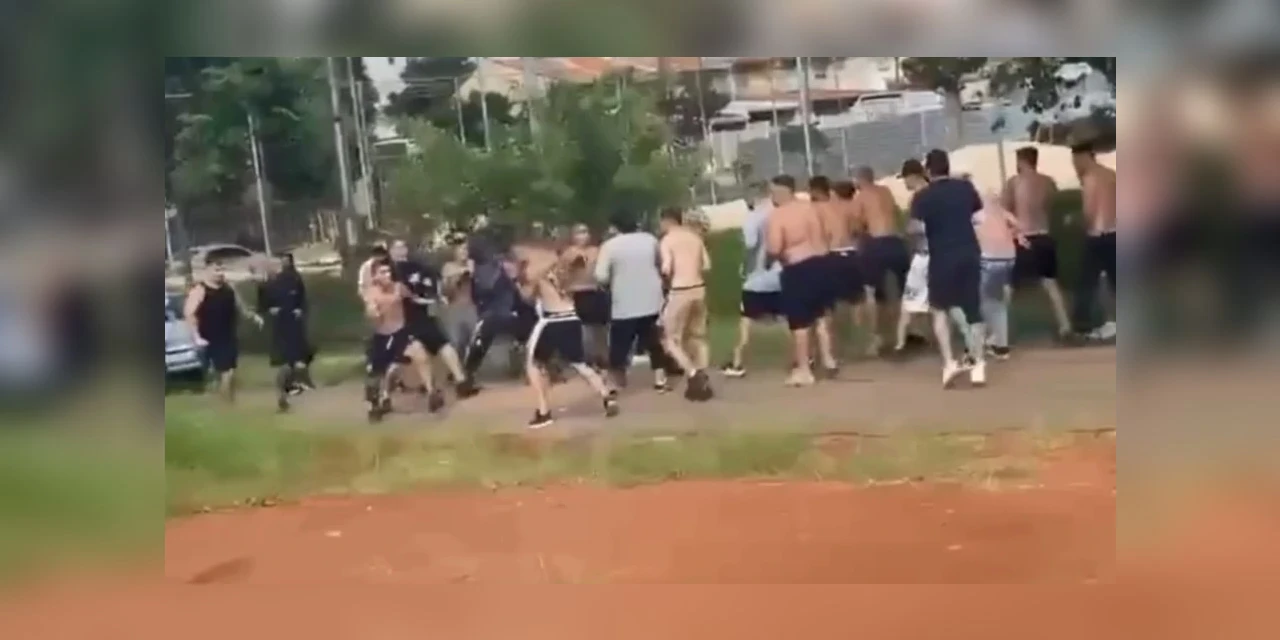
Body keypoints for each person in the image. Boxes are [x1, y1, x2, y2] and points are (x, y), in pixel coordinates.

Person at [907, 150, 989, 388]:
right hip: (969, 252)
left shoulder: (923, 196)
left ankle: (949, 362)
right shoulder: (965, 188)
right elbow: (978, 216)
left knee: (939, 309)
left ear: (928, 171)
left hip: (942, 256)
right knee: (973, 309)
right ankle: (979, 363)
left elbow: (914, 228)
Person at [516, 243, 621, 428]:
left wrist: (525, 280)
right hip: (571, 318)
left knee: (532, 363)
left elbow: (527, 295)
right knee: (579, 363)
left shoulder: (542, 271)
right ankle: (606, 396)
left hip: (552, 321)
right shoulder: (565, 272)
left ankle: (543, 412)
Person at [766, 175, 840, 386]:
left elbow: (774, 246)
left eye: (773, 192)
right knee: (821, 315)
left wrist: (772, 258)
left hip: (798, 268)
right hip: (821, 263)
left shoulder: (778, 215)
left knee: (800, 322)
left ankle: (804, 370)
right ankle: (828, 359)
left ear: (782, 192)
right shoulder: (811, 208)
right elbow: (826, 234)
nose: (771, 197)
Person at [594, 210, 678, 391]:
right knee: (654, 341)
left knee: (620, 343)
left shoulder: (610, 246)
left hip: (625, 302)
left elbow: (600, 276)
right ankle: (660, 379)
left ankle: (618, 379)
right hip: (652, 298)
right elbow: (659, 263)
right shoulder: (650, 240)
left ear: (615, 227)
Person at [389, 239, 480, 400]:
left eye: (403, 246)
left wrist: (434, 296)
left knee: (444, 345)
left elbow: (431, 284)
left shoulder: (416, 268)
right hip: (400, 320)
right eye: (397, 247)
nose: (401, 250)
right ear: (390, 251)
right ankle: (393, 389)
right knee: (414, 356)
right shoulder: (387, 270)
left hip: (422, 316)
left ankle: (461, 383)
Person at [361, 259, 445, 422]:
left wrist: (432, 301)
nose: (387, 275)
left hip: (401, 333)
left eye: (388, 272)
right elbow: (370, 311)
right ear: (375, 277)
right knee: (382, 373)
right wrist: (373, 313)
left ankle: (432, 394)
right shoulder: (372, 293)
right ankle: (378, 403)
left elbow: (414, 298)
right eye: (382, 273)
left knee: (420, 355)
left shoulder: (399, 287)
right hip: (383, 337)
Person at [1003, 146, 1074, 341]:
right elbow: (1054, 208)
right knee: (1051, 284)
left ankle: (998, 334)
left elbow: (1005, 212)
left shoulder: (1013, 183)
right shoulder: (1048, 182)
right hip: (1044, 236)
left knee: (1008, 286)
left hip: (1024, 239)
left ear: (1022, 161)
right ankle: (1065, 325)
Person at [721, 186, 783, 377]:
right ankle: (806, 358)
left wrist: (745, 269)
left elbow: (750, 247)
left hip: (757, 278)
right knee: (792, 318)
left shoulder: (753, 218)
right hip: (782, 273)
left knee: (746, 320)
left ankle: (737, 362)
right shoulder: (780, 213)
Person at [851, 166, 912, 357]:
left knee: (872, 292)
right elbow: (895, 214)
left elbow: (856, 227)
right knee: (905, 292)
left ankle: (876, 338)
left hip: (876, 244)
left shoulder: (860, 197)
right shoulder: (886, 191)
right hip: (896, 242)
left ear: (859, 180)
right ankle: (907, 333)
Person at [183, 261, 263, 403]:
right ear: (207, 271)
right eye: (216, 270)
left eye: (221, 269)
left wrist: (254, 316)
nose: (220, 273)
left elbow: (241, 306)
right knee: (223, 372)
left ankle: (226, 400)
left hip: (228, 334)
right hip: (209, 337)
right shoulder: (200, 290)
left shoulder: (229, 287)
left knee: (229, 371)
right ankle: (225, 402)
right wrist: (196, 337)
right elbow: (189, 314)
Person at [658, 207, 714, 401]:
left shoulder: (668, 240)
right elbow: (707, 265)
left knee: (670, 339)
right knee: (697, 336)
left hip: (680, 290)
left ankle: (693, 373)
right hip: (699, 288)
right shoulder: (694, 238)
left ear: (666, 221)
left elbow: (666, 268)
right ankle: (703, 372)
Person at [1070, 141, 1118, 342]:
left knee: (1085, 283)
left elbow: (1089, 211)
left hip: (1097, 236)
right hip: (1116, 232)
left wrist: (1076, 222)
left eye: (1075, 160)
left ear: (1083, 157)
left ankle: (1082, 328)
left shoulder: (1090, 178)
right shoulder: (1111, 174)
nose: (1074, 165)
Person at [812, 176, 863, 360]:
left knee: (828, 305)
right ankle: (859, 341)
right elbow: (858, 229)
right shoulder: (848, 208)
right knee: (856, 301)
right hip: (851, 253)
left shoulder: (820, 209)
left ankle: (832, 347)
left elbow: (820, 235)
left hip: (832, 254)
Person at [974, 190, 1028, 361]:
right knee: (996, 302)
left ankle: (988, 342)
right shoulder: (1003, 214)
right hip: (1008, 259)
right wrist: (1015, 235)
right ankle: (998, 343)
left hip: (989, 260)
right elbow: (1019, 225)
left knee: (987, 302)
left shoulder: (978, 215)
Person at [256, 257, 312, 412]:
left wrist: (300, 309)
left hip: (294, 323)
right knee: (287, 362)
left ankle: (292, 388)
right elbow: (261, 305)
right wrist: (269, 310)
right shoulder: (266, 284)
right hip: (279, 325)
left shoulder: (293, 278)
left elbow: (301, 297)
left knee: (298, 359)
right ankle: (282, 393)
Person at [560, 223, 610, 368]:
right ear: (573, 236)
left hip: (597, 291)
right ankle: (589, 358)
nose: (583, 236)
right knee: (585, 328)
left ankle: (604, 357)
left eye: (585, 232)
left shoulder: (596, 251)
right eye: (579, 233)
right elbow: (561, 275)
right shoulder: (568, 253)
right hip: (578, 293)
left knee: (601, 327)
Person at [440, 236, 479, 355]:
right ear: (455, 252)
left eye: (466, 249)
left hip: (470, 307)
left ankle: (469, 368)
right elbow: (445, 290)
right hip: (454, 308)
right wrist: (457, 276)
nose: (464, 252)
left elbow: (472, 274)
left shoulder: (471, 263)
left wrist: (465, 272)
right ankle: (455, 370)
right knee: (455, 342)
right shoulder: (448, 267)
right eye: (461, 249)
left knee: (474, 340)